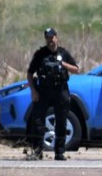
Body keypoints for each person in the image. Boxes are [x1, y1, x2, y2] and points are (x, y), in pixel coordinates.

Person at [27, 27, 79, 161]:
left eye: (52, 37)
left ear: (56, 37)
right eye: (47, 38)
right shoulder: (40, 54)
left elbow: (76, 69)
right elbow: (30, 73)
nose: (50, 40)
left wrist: (63, 64)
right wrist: (33, 91)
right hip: (43, 91)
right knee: (38, 121)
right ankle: (38, 151)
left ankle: (59, 152)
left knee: (61, 122)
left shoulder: (63, 53)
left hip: (60, 90)